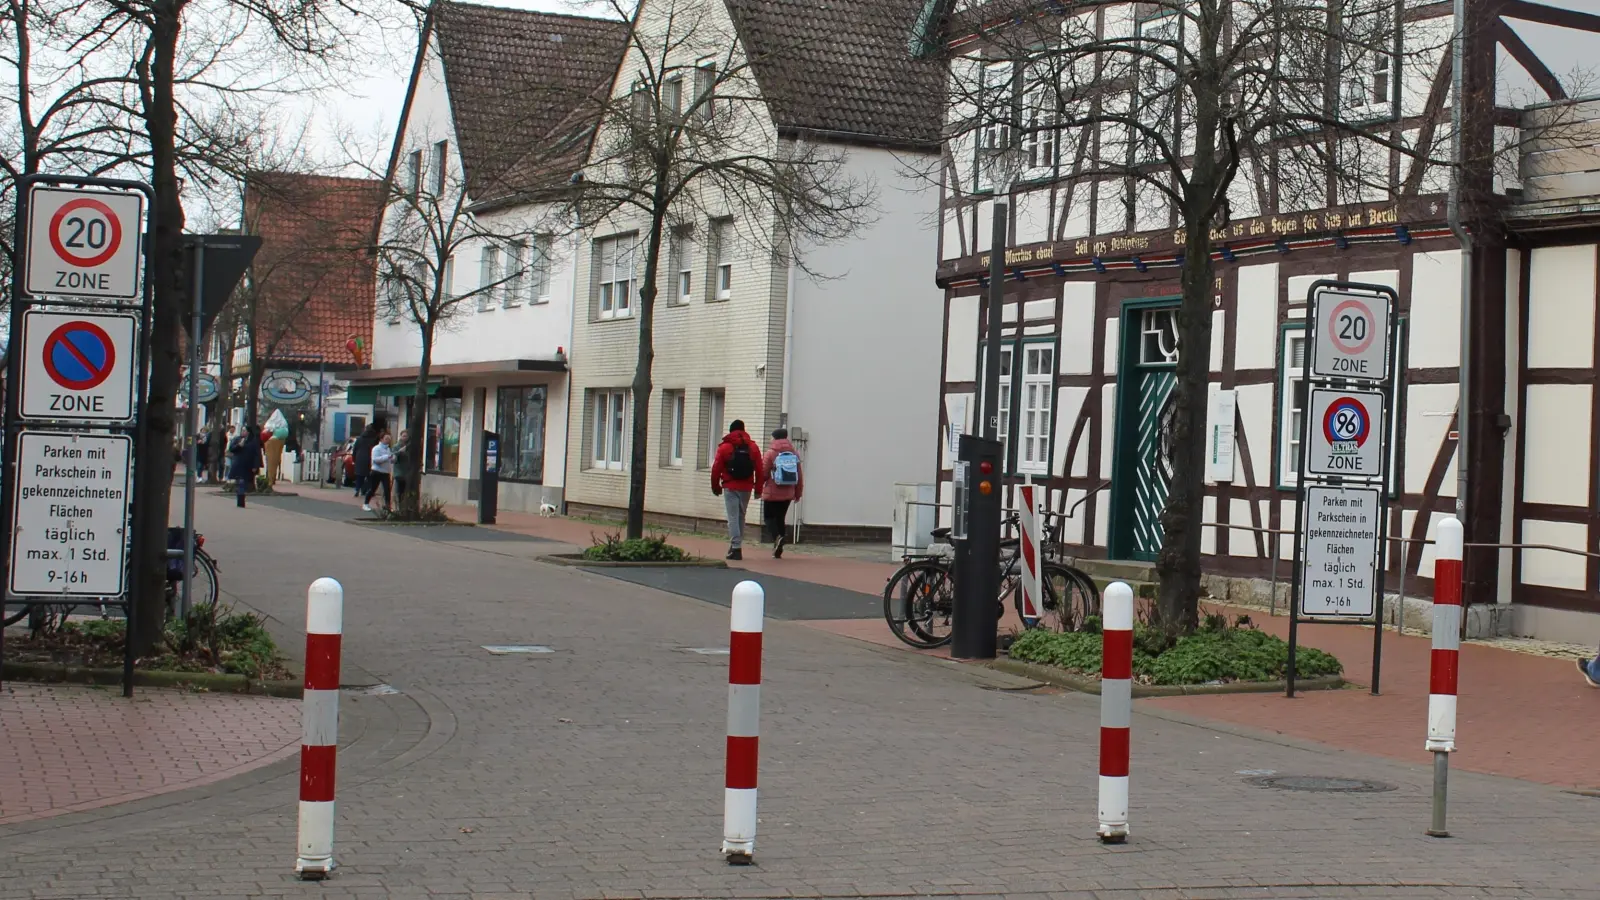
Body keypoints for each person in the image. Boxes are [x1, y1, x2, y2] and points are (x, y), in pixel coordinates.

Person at [710, 419, 763, 560]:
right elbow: (759, 469)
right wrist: (758, 489)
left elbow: (716, 468)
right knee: (741, 516)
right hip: (746, 487)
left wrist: (715, 486)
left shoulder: (725, 447)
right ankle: (737, 544)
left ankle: (735, 547)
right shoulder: (753, 447)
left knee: (732, 517)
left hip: (730, 486)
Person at [760, 428, 803, 558]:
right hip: (788, 493)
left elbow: (763, 473)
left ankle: (777, 537)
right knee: (780, 519)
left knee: (768, 518)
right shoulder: (794, 454)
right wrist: (798, 493)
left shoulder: (770, 453)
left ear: (775, 438)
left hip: (772, 492)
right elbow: (799, 475)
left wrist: (758, 486)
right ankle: (779, 549)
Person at [228, 423, 263, 508]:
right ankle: (240, 500)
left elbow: (257, 454)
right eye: (242, 430)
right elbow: (231, 449)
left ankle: (241, 501)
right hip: (238, 464)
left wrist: (256, 466)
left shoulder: (253, 441)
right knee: (239, 483)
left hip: (247, 466)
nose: (243, 432)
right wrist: (239, 446)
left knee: (243, 483)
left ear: (248, 432)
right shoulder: (237, 439)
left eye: (244, 431)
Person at [364, 431, 395, 512]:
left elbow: (390, 460)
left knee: (387, 490)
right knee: (372, 489)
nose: (388, 440)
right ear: (381, 439)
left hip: (386, 472)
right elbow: (376, 460)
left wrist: (393, 458)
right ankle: (366, 503)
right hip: (376, 471)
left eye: (389, 439)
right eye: (386, 439)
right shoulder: (376, 448)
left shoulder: (388, 449)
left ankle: (388, 506)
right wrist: (386, 457)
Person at [351, 422, 380, 498]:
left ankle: (357, 489)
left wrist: (354, 459)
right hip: (370, 458)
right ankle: (366, 490)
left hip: (360, 458)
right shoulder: (374, 439)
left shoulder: (359, 439)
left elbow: (355, 449)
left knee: (359, 476)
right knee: (370, 477)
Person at [393, 429, 412, 504]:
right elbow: (393, 457)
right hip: (399, 472)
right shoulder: (397, 446)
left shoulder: (410, 446)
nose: (405, 438)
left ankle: (405, 505)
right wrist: (399, 451)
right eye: (403, 436)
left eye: (406, 436)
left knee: (407, 491)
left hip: (408, 472)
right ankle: (399, 506)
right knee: (399, 491)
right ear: (400, 436)